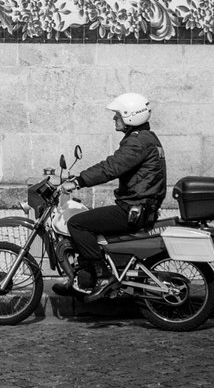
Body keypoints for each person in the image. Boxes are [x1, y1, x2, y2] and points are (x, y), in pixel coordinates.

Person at [53, 92, 166, 299]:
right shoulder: (145, 139)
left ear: (131, 117)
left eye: (118, 115)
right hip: (139, 206)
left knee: (77, 224)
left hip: (133, 209)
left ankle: (104, 275)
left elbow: (110, 168)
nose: (114, 119)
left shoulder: (137, 143)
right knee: (90, 222)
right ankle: (82, 276)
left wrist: (78, 181)